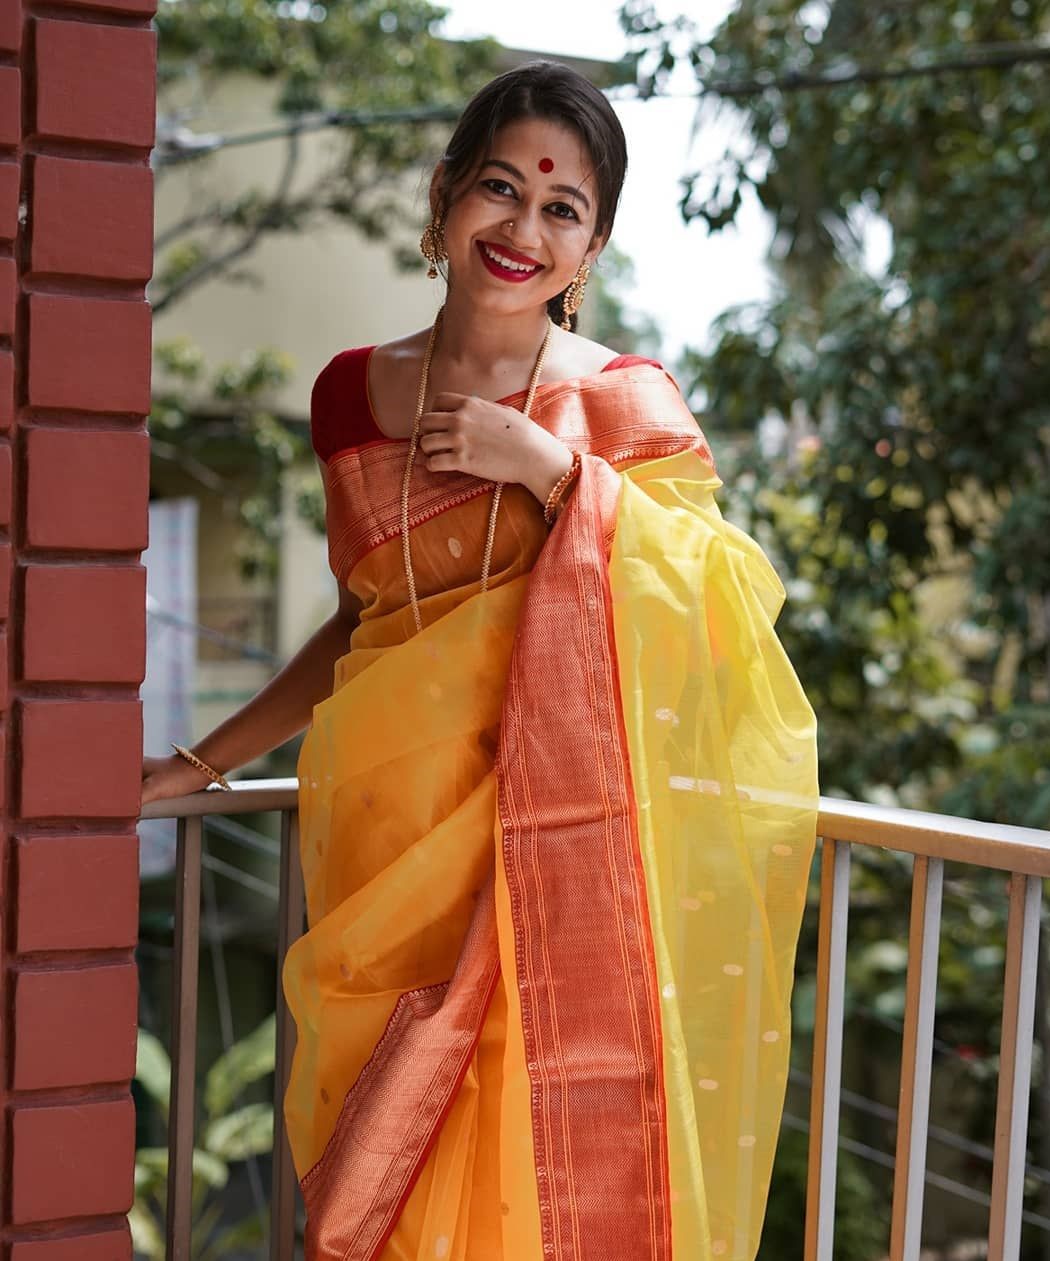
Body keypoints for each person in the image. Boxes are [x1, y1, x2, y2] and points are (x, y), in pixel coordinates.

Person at [142, 58, 819, 1261]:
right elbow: (364, 624)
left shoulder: (620, 403)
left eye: (563, 209)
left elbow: (725, 613)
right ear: (445, 194)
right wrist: (200, 757)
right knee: (379, 1183)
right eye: (500, 188)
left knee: (514, 1192)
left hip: (542, 869)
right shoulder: (351, 394)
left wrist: (551, 471)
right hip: (380, 853)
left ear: (593, 249)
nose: (524, 228)